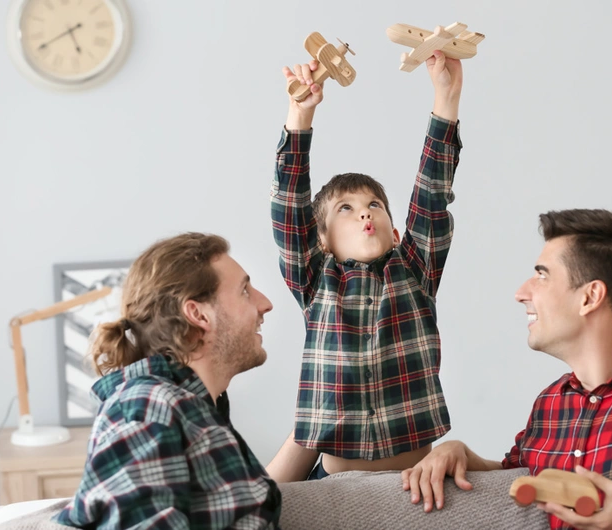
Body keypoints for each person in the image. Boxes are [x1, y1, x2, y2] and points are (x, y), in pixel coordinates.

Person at [401, 209, 612, 529]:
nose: (521, 293)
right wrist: (457, 451)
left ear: (590, 297)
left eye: (541, 275)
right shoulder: (551, 403)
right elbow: (517, 475)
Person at [267, 50, 465, 481]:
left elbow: (432, 193)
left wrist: (445, 100)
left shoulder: (414, 269)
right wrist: (299, 116)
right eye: (346, 209)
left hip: (414, 482)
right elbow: (288, 208)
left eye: (374, 204)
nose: (364, 213)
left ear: (396, 232)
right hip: (335, 485)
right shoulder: (316, 281)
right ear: (322, 241)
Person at [54, 232, 282, 529]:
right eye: (244, 290)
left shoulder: (191, 410)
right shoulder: (146, 406)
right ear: (198, 314)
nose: (265, 303)